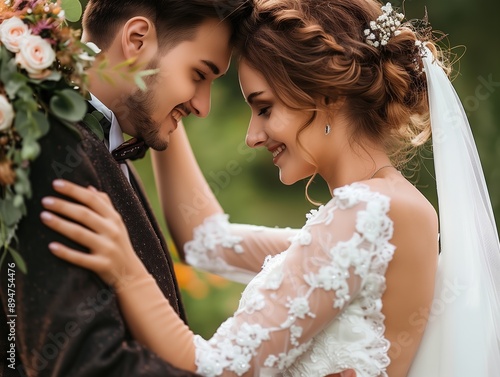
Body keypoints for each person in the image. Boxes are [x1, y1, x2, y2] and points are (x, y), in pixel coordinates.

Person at [39, 0, 500, 376]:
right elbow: (208, 243)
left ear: (324, 94)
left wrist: (126, 270)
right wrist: (161, 102)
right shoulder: (388, 212)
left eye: (263, 108)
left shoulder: (369, 214)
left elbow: (217, 366)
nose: (252, 136)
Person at [0, 0, 252, 376]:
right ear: (136, 40)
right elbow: (84, 365)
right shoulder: (50, 147)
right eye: (199, 75)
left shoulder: (102, 147)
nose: (203, 106)